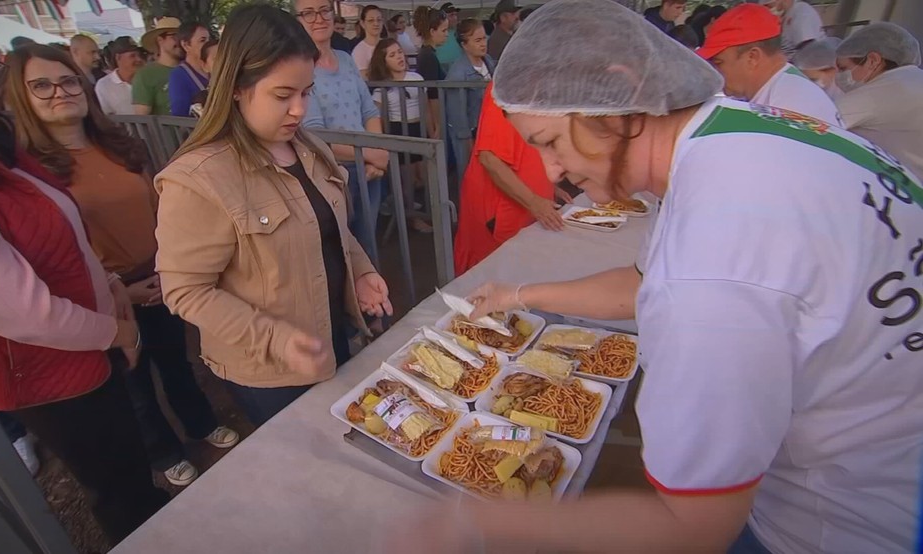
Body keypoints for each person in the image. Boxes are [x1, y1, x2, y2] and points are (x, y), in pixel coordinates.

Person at [393, 1, 923, 553]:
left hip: (851, 521)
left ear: (621, 92)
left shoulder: (712, 250)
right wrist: (519, 294)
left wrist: (474, 522)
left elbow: (691, 527)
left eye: (550, 142)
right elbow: (643, 281)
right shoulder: (736, 131)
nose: (551, 171)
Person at [0, 1, 169, 542]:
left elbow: (64, 237)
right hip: (50, 374)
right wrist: (119, 331)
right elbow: (27, 314)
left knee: (131, 468)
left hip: (91, 340)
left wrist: (109, 287)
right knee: (119, 491)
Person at [5, 44, 240, 487]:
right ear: (22, 97)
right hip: (104, 294)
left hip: (159, 274)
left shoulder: (119, 145)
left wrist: (171, 267)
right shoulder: (29, 173)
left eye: (68, 80)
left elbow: (159, 207)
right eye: (42, 85)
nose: (60, 92)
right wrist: (117, 291)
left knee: (177, 362)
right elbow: (52, 249)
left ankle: (200, 422)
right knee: (135, 383)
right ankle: (163, 451)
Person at [154, 4, 392, 428]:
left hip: (329, 333)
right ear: (236, 88)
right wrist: (275, 339)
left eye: (306, 92)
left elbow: (331, 227)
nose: (299, 109)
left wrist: (360, 270)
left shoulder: (309, 147)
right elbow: (185, 291)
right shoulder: (198, 178)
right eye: (283, 96)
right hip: (268, 371)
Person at [296, 0, 389, 264]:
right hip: (333, 172)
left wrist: (375, 154)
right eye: (308, 13)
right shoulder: (300, 67)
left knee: (367, 245)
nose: (319, 18)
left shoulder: (346, 59)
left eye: (324, 10)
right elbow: (315, 134)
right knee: (342, 251)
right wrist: (372, 154)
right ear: (298, 20)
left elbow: (369, 111)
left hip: (367, 167)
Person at [453, 83, 564, 275]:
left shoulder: (538, 89)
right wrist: (534, 202)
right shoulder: (507, 89)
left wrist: (548, 185)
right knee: (494, 277)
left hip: (527, 211)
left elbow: (528, 149)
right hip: (500, 214)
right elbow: (490, 159)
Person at [698, 4, 841, 125]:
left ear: (752, 57)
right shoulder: (781, 87)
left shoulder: (789, 106)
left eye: (718, 63)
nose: (715, 72)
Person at [835, 22, 923, 182]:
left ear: (872, 61)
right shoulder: (914, 79)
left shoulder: (887, 89)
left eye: (843, 68)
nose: (838, 77)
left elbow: (821, 123)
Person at [369, 38, 433, 234]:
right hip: (398, 131)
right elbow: (378, 118)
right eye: (392, 55)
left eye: (399, 52)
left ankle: (428, 212)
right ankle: (413, 218)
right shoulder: (381, 88)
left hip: (418, 128)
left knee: (424, 177)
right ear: (384, 61)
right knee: (406, 180)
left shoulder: (416, 78)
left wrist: (432, 133)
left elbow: (426, 108)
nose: (399, 57)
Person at [445, 19, 495, 168]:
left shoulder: (488, 61)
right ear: (464, 45)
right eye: (478, 40)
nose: (483, 44)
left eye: (484, 38)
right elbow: (457, 115)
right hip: (473, 132)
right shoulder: (457, 74)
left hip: (490, 127)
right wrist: (467, 141)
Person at [132, 17, 182, 115]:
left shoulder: (192, 68)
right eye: (175, 36)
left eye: (183, 37)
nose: (180, 41)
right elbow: (142, 118)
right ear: (160, 40)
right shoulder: (146, 75)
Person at [415, 8, 448, 146]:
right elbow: (431, 96)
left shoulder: (428, 54)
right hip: (434, 119)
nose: (447, 34)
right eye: (444, 30)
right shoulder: (428, 57)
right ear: (432, 31)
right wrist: (437, 124)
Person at [168, 22, 211, 117]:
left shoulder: (214, 69)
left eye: (209, 40)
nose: (208, 45)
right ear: (186, 45)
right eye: (202, 40)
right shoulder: (179, 76)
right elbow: (180, 115)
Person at [95, 37, 144, 116]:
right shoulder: (104, 85)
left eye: (140, 55)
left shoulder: (148, 79)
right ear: (118, 57)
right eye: (132, 56)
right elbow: (106, 117)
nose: (139, 59)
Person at [189, 38, 218, 117]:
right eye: (216, 59)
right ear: (204, 65)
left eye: (227, 57)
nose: (223, 62)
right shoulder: (201, 103)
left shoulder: (244, 94)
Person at [352, 5, 383, 78]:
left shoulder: (389, 45)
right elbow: (364, 79)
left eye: (379, 20)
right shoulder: (359, 51)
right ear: (363, 23)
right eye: (371, 20)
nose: (376, 24)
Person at [435, 3, 462, 71]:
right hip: (441, 67)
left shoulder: (460, 31)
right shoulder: (436, 32)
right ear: (443, 17)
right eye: (451, 15)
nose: (455, 18)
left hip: (459, 67)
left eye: (455, 14)